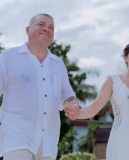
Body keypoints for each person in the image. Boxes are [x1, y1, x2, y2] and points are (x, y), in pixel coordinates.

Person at [0, 13, 78, 160]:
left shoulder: (58, 64)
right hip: (16, 135)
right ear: (28, 30)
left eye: (51, 27)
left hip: (48, 140)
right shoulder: (8, 57)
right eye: (41, 24)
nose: (47, 29)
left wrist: (72, 104)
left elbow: (67, 94)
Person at [64, 40, 129, 160]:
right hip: (122, 142)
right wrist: (77, 113)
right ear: (125, 57)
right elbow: (94, 108)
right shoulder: (113, 82)